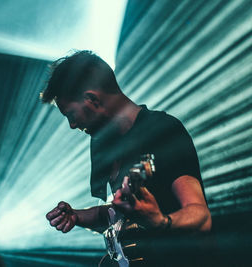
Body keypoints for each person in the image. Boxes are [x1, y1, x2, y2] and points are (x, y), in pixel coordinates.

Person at [43, 50, 211, 262]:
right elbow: (116, 215)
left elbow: (201, 215)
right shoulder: (101, 144)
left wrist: (160, 221)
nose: (72, 125)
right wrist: (77, 216)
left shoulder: (162, 130)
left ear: (92, 99)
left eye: (72, 115)